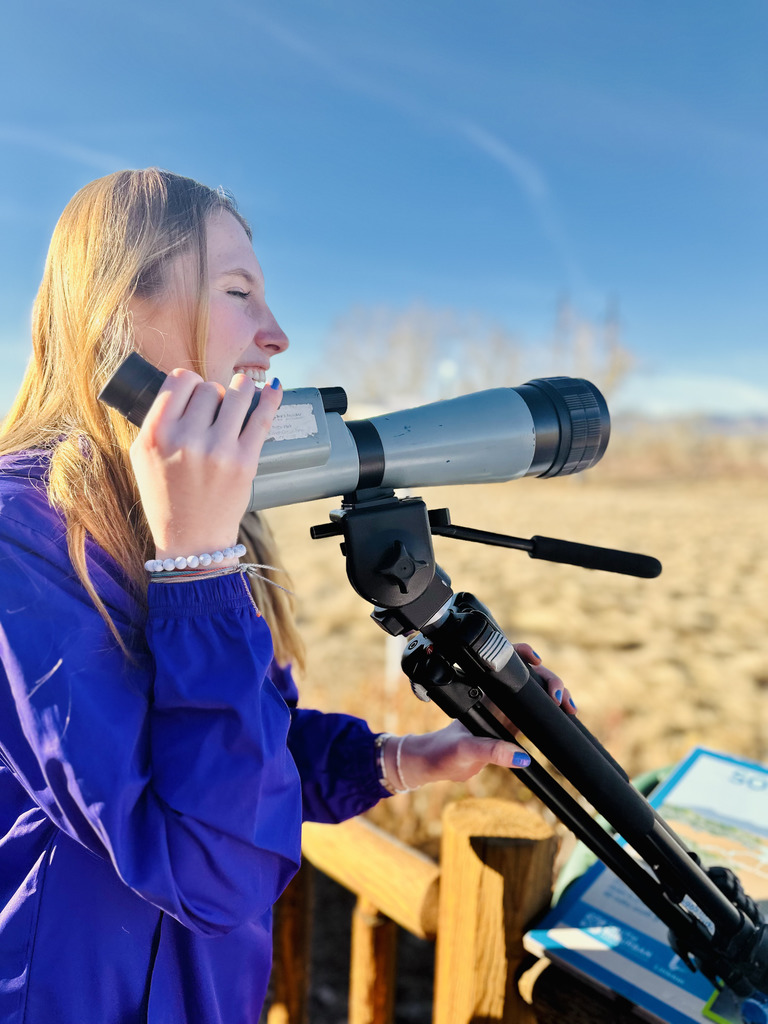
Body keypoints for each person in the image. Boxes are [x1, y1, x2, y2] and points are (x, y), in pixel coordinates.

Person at [0, 168, 574, 1024]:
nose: (276, 336)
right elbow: (208, 863)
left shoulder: (204, 515)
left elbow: (230, 757)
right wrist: (196, 566)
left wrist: (401, 759)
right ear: (121, 309)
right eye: (238, 292)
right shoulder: (22, 541)